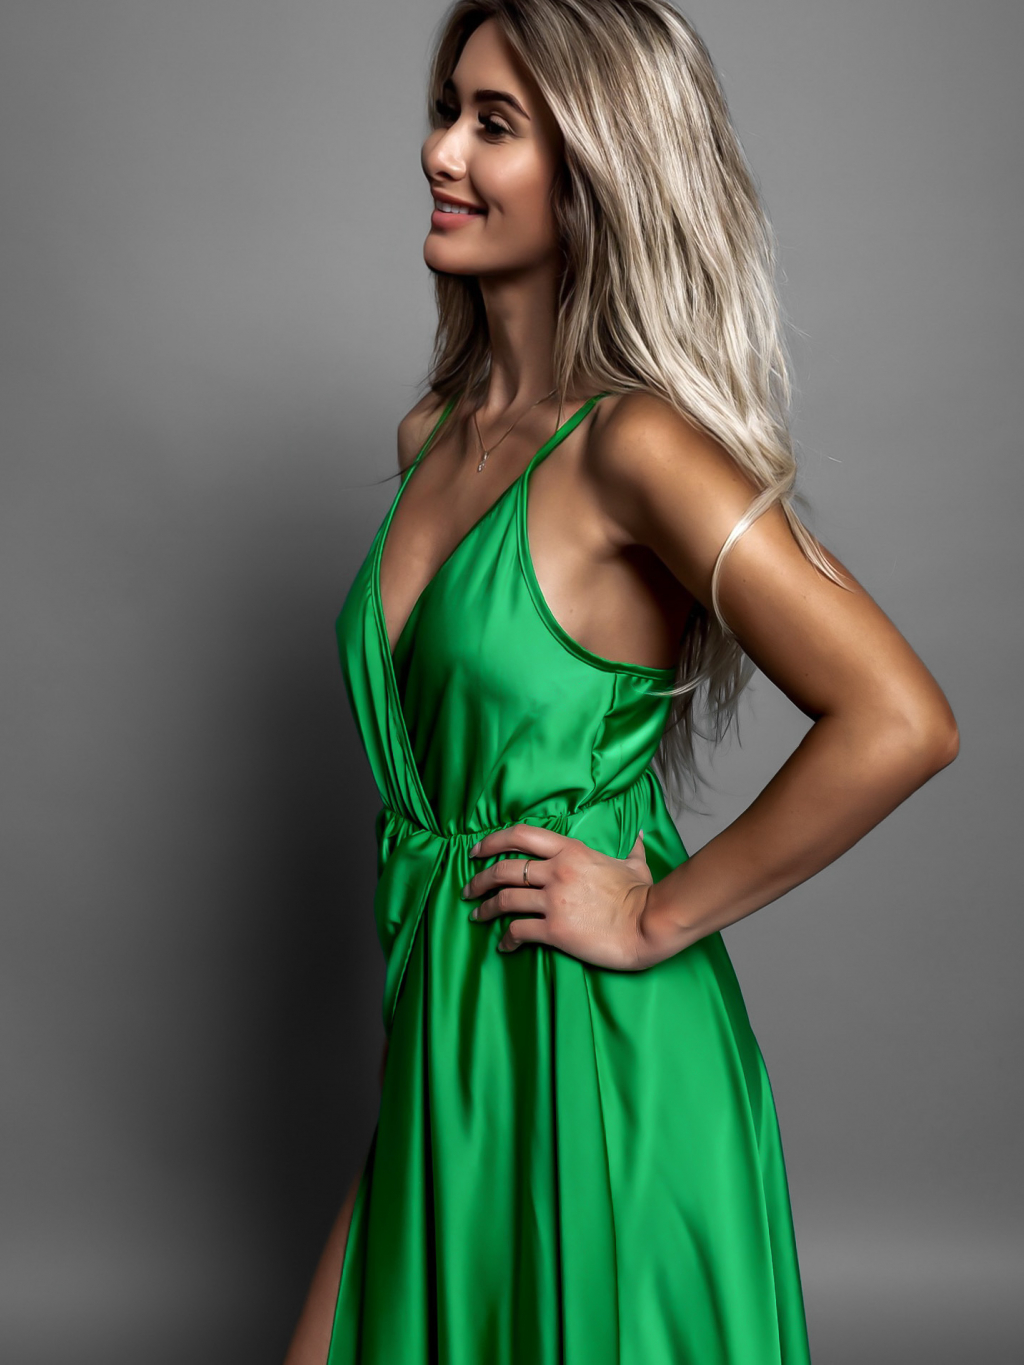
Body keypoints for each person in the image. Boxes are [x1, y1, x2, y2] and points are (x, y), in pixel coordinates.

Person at [285, 2, 959, 1361]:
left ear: (594, 167)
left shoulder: (633, 449)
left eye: (494, 124)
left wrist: (654, 915)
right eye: (446, 109)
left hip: (596, 1052)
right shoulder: (431, 436)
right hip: (447, 1042)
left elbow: (901, 718)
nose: (439, 151)